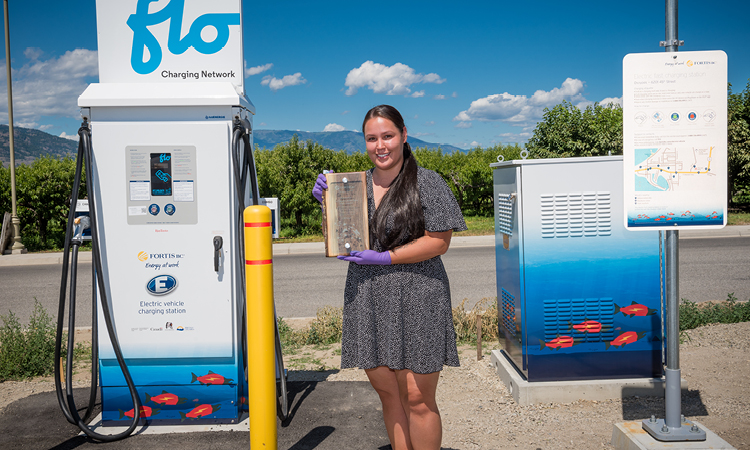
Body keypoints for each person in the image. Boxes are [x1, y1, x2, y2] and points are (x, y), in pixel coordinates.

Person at [312, 105, 466, 450]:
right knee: (389, 395)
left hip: (419, 294)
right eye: (372, 138)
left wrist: (385, 257)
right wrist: (328, 202)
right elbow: (342, 239)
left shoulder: (427, 181)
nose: (380, 145)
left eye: (387, 136)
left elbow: (439, 242)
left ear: (404, 135)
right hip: (367, 296)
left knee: (417, 398)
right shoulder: (353, 185)